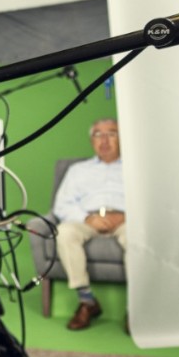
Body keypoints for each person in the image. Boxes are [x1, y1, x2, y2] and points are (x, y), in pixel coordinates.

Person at [52, 118, 126, 331]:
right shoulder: (78, 170)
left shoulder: (136, 167)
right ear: (92, 140)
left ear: (122, 138)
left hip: (125, 219)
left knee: (137, 238)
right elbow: (62, 205)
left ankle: (136, 308)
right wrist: (87, 218)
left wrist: (126, 216)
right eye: (98, 135)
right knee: (64, 232)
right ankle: (87, 301)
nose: (104, 140)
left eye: (111, 134)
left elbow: (149, 200)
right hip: (88, 218)